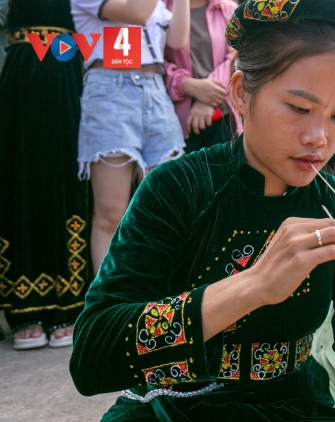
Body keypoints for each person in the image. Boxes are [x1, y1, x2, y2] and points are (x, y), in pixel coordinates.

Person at [70, 2, 335, 420]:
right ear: (240, 92)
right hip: (178, 409)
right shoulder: (180, 187)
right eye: (298, 108)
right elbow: (92, 356)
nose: (318, 137)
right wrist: (253, 285)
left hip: (297, 406)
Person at [0, 0, 94, 349]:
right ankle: (25, 307)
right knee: (22, 178)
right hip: (21, 72)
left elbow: (128, 29)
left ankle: (72, 303)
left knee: (73, 177)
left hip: (75, 71)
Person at [71, 0, 190, 273]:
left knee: (167, 207)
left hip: (156, 93)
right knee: (112, 213)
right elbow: (136, 13)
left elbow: (178, 38)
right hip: (110, 90)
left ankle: (158, 295)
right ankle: (109, 305)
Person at [164, 0, 240, 154]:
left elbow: (237, 56)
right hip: (178, 120)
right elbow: (154, 61)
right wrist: (185, 84)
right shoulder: (161, 9)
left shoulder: (227, 8)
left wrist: (208, 98)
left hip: (224, 114)